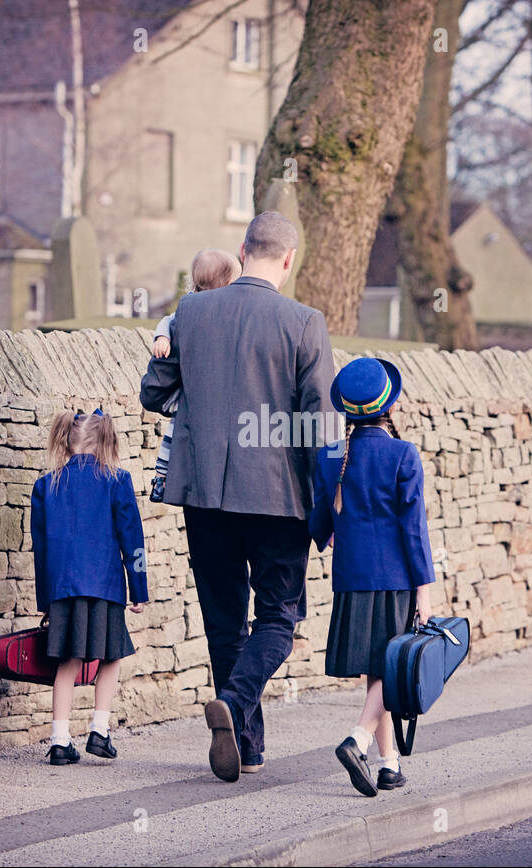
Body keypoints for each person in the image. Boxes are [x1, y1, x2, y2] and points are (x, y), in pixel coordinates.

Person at [140, 211, 335, 782]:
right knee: (278, 618)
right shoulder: (304, 323)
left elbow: (154, 393)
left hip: (203, 494)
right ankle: (237, 701)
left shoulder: (192, 310)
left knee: (225, 621)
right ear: (289, 260)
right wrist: (326, 506)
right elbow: (320, 425)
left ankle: (247, 747)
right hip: (278, 498)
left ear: (244, 249)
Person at [309, 357, 435, 797]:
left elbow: (319, 520)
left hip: (350, 579)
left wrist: (330, 536)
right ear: (391, 407)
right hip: (395, 580)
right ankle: (358, 739)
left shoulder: (332, 456)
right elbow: (413, 528)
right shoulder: (403, 454)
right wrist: (424, 587)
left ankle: (389, 765)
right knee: (389, 667)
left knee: (378, 672)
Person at [31, 408, 149, 766]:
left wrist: (45, 599)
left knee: (68, 661)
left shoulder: (46, 485)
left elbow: (41, 549)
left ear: (66, 442)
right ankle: (99, 730)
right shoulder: (117, 480)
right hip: (106, 585)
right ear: (105, 442)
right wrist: (138, 589)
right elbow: (133, 540)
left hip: (63, 588)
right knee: (111, 656)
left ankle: (59, 741)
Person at [148, 249, 242, 503]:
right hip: (190, 385)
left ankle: (164, 475)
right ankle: (162, 476)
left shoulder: (222, 311)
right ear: (228, 284)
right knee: (177, 427)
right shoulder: (189, 308)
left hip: (203, 383)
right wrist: (162, 337)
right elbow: (168, 321)